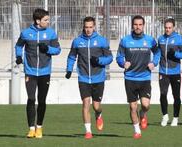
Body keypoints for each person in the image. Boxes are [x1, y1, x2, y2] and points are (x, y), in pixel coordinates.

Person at [14, 8, 61, 138]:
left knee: (41, 100)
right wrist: (19, 56)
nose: (48, 22)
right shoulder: (26, 33)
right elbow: (18, 46)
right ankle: (31, 129)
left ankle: (39, 127)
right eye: (46, 20)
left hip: (45, 71)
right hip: (30, 71)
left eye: (48, 19)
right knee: (31, 98)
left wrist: (48, 49)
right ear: (37, 20)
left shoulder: (51, 33)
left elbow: (57, 50)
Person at [66, 16, 113, 139]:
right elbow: (71, 57)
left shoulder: (102, 41)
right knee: (86, 103)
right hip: (83, 77)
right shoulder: (77, 41)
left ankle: (99, 114)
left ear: (94, 27)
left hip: (98, 77)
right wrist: (69, 69)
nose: (88, 30)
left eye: (90, 27)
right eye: (86, 27)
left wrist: (99, 60)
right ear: (83, 27)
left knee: (96, 106)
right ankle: (88, 131)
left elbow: (109, 58)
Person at [116, 15, 160, 139]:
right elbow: (119, 56)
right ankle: (137, 130)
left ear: (143, 25)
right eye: (135, 24)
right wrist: (123, 63)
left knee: (146, 105)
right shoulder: (125, 40)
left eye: (140, 24)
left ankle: (143, 114)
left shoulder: (150, 40)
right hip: (130, 78)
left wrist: (154, 63)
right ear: (132, 25)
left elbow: (157, 53)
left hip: (145, 78)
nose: (138, 27)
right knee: (132, 106)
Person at [157, 18, 182, 127]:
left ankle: (175, 118)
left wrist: (175, 54)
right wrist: (154, 62)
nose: (167, 29)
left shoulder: (179, 39)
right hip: (163, 72)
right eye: (166, 27)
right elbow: (158, 54)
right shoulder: (160, 39)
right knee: (162, 94)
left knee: (176, 96)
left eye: (170, 28)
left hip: (175, 72)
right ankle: (165, 116)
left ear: (174, 27)